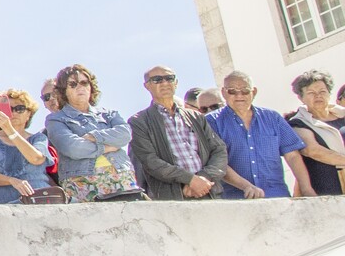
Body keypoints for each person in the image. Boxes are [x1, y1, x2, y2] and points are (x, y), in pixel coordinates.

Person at [131, 68, 229, 202]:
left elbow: (219, 150)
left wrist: (204, 178)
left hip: (208, 192)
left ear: (176, 83)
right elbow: (150, 161)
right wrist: (190, 180)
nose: (164, 83)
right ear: (147, 86)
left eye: (169, 78)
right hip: (173, 198)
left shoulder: (196, 117)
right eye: (157, 80)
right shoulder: (140, 121)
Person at [47, 65, 142, 201]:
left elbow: (125, 134)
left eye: (84, 83)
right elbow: (73, 148)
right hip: (81, 181)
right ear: (63, 91)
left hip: (122, 175)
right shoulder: (56, 119)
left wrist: (94, 136)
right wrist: (107, 147)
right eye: (73, 84)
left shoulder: (109, 114)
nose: (80, 87)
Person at [208, 73, 310, 200]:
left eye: (245, 91)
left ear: (254, 92)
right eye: (232, 91)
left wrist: (306, 189)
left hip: (277, 197)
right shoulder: (212, 122)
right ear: (223, 93)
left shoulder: (273, 118)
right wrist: (246, 187)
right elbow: (217, 162)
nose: (239, 96)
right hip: (236, 200)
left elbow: (293, 156)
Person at [0, 89, 55, 204]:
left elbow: (36, 159)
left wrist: (10, 131)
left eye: (20, 108)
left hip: (36, 200)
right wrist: (12, 181)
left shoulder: (38, 138)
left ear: (29, 114)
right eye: (9, 109)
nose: (14, 113)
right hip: (2, 204)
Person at [285, 70, 345, 198]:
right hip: (327, 191)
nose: (318, 96)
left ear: (329, 93)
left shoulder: (342, 115)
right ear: (301, 98)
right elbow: (312, 151)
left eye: (322, 91)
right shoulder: (298, 123)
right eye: (311, 93)